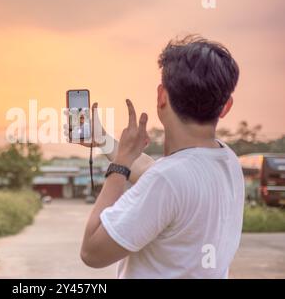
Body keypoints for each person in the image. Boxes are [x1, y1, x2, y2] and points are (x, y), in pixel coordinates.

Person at [73, 35, 244, 278]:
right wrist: (103, 139)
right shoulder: (227, 159)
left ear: (162, 96)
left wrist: (120, 165)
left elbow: (92, 252)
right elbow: (159, 175)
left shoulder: (168, 180)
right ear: (226, 106)